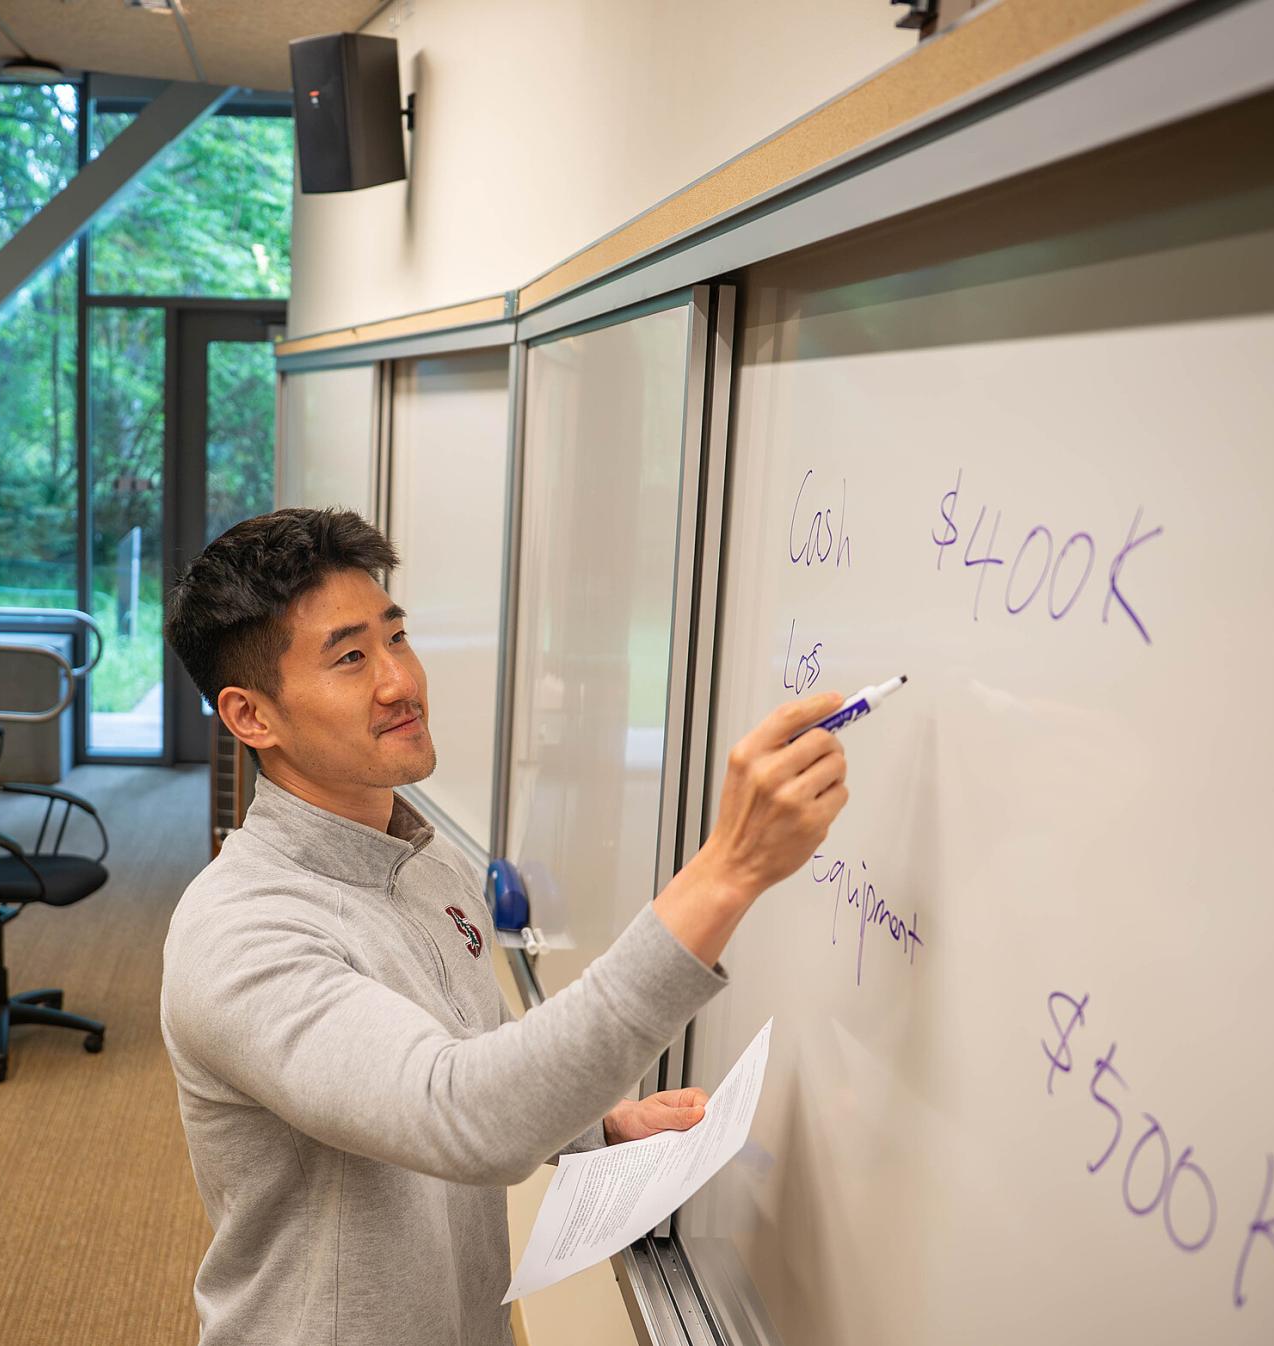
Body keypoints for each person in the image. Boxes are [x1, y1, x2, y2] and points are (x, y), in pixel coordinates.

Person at [159, 508, 851, 1346]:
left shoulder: (425, 862)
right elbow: (460, 1115)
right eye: (349, 658)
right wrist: (726, 873)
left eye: (396, 638)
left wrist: (597, 1126)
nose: (398, 682)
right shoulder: (238, 935)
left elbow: (471, 1049)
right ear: (250, 717)